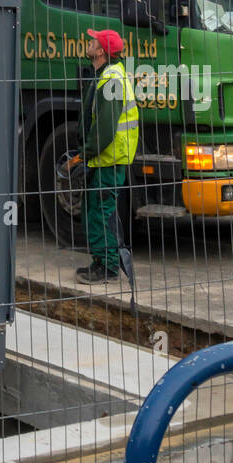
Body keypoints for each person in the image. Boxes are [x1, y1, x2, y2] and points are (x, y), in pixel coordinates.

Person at [75, 28, 139, 284]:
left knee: (102, 212)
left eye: (92, 41)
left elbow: (104, 128)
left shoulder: (111, 79)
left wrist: (84, 155)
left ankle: (108, 267)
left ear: (101, 51)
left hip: (108, 159)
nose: (88, 43)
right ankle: (100, 262)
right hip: (105, 158)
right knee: (98, 211)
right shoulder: (106, 75)